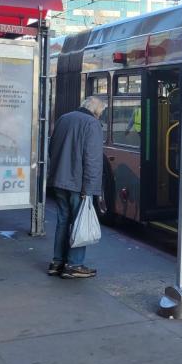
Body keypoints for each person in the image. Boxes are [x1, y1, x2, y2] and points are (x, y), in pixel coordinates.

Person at [47, 96, 105, 279]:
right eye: (101, 113)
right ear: (96, 111)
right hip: (78, 184)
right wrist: (90, 190)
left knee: (63, 221)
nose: (100, 116)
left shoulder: (64, 118)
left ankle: (57, 263)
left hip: (59, 180)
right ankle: (74, 265)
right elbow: (93, 160)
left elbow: (51, 148)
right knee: (79, 223)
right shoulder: (92, 124)